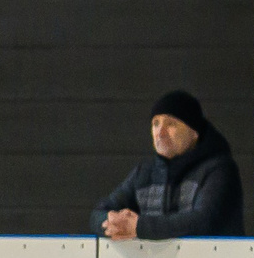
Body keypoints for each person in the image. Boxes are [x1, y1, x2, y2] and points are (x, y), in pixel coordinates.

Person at [93, 91, 243, 241]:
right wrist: (110, 222)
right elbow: (98, 213)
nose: (160, 132)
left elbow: (203, 221)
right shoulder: (143, 173)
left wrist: (139, 227)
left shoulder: (220, 169)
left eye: (171, 124)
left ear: (194, 132)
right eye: (156, 124)